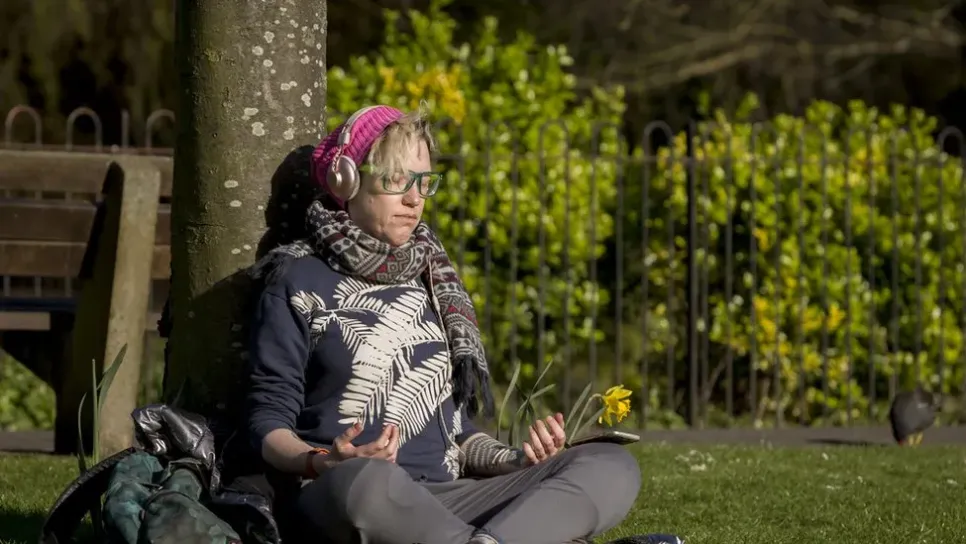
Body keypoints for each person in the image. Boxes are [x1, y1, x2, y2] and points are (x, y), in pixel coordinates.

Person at [243, 104, 644, 544]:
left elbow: (458, 434)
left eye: (423, 182)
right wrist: (322, 461)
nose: (414, 199)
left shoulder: (434, 277)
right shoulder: (296, 278)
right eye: (396, 180)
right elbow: (267, 423)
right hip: (348, 491)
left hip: (446, 500)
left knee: (610, 464)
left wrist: (518, 459)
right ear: (347, 181)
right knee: (365, 483)